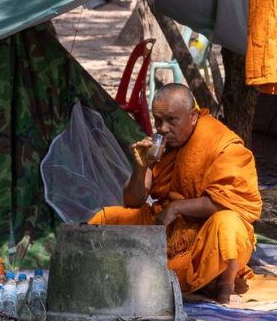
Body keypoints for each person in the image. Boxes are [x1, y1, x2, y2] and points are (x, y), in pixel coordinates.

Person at [89, 83, 262, 304]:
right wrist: (141, 166)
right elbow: (132, 202)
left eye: (171, 120)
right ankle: (106, 269)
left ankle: (223, 284)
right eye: (158, 120)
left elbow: (233, 203)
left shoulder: (223, 144)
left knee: (228, 224)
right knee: (107, 219)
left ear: (192, 116)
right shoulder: (163, 145)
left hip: (204, 234)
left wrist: (177, 207)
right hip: (168, 230)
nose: (162, 128)